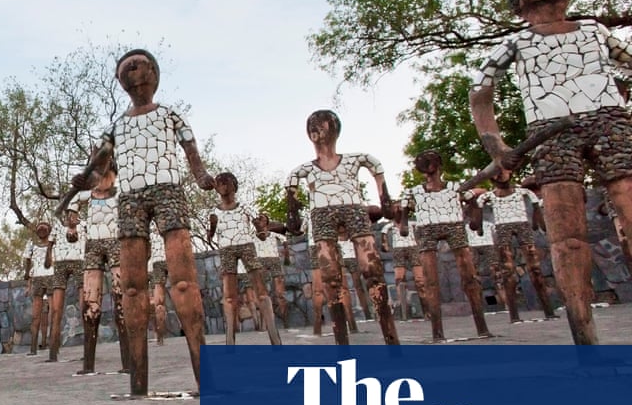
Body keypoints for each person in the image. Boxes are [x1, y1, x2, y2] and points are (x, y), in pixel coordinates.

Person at [471, 0, 632, 344]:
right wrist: (497, 145)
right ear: (519, 0)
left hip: (610, 122)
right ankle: (584, 338)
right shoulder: (518, 43)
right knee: (567, 235)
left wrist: (618, 96)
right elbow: (480, 93)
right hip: (550, 132)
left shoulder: (595, 32)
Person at [70, 48, 214, 396]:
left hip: (168, 191)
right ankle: (138, 382)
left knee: (182, 281)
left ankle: (204, 375)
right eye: (126, 69)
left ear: (153, 73)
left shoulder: (171, 116)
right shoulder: (116, 128)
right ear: (121, 82)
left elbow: (193, 156)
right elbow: (98, 171)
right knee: (132, 287)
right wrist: (84, 180)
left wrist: (202, 176)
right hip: (130, 199)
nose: (133, 72)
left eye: (138, 66)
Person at [285, 111, 398, 345]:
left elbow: (375, 166)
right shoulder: (303, 170)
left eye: (322, 125)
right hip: (322, 213)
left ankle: (390, 338)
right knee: (330, 277)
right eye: (312, 126)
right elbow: (292, 192)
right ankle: (342, 345)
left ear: (335, 129)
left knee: (372, 271)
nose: (316, 130)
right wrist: (292, 213)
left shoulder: (354, 160)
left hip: (353, 208)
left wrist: (384, 196)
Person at [399, 150, 490, 340]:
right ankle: (437, 332)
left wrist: (475, 221)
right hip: (426, 228)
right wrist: (404, 226)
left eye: (431, 161)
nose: (427, 166)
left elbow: (472, 201)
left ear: (439, 164)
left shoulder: (455, 188)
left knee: (469, 275)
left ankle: (482, 327)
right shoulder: (414, 192)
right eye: (424, 162)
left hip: (453, 224)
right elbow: (404, 210)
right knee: (430, 279)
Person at [206, 172, 280, 345]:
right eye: (220, 183)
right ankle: (230, 340)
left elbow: (261, 231)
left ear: (234, 185)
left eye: (227, 183)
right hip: (226, 250)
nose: (223, 187)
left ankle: (274, 336)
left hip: (247, 247)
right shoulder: (213, 213)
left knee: (261, 292)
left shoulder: (246, 207)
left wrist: (262, 227)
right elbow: (211, 232)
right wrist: (210, 232)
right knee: (230, 296)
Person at [476, 170, 557, 320]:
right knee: (506, 272)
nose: (500, 176)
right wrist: (479, 227)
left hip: (521, 226)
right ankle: (512, 313)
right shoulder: (487, 197)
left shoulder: (524, 193)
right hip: (501, 230)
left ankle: (547, 310)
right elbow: (478, 215)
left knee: (534, 268)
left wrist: (538, 223)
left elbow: (536, 210)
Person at [74, 167, 129, 373]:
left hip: (116, 243)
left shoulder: (122, 194)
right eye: (98, 174)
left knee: (121, 301)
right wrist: (72, 226)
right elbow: (71, 208)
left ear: (114, 176)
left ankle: (128, 362)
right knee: (91, 304)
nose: (102, 179)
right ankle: (88, 364)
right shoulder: (85, 196)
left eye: (107, 174)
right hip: (92, 246)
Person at [46, 210, 85, 362]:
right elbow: (49, 246)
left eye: (74, 215)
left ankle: (88, 351)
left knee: (84, 306)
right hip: (61, 264)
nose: (71, 218)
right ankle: (53, 352)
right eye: (69, 215)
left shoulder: (84, 227)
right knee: (56, 310)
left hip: (79, 262)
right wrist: (49, 258)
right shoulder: (57, 229)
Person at [23, 222, 53, 356]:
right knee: (36, 315)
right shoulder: (31, 246)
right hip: (38, 279)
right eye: (39, 228)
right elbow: (28, 261)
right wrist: (28, 276)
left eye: (44, 228)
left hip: (50, 277)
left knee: (54, 312)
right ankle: (33, 347)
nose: (41, 230)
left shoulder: (53, 245)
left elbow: (49, 263)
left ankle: (52, 345)